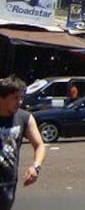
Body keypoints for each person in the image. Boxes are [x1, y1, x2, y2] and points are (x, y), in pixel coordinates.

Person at [0, 76, 46, 210]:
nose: (19, 102)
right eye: (15, 98)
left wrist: (36, 167)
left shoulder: (24, 118)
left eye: (21, 97)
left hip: (7, 183)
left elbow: (39, 145)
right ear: (2, 97)